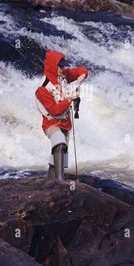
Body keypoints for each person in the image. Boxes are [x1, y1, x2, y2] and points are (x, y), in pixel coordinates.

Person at [35, 51, 88, 180]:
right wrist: (69, 99)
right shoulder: (42, 89)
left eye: (64, 66)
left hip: (65, 123)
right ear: (53, 66)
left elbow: (82, 70)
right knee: (59, 145)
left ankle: (52, 184)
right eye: (60, 66)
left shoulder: (63, 76)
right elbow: (55, 110)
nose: (63, 69)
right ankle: (60, 183)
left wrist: (81, 77)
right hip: (51, 123)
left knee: (58, 157)